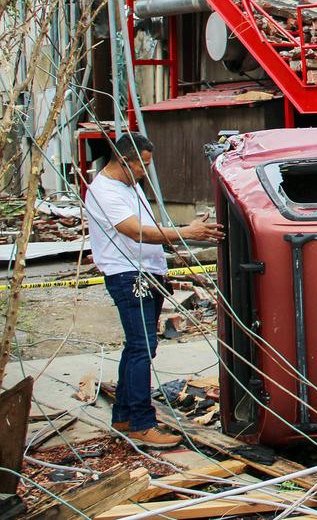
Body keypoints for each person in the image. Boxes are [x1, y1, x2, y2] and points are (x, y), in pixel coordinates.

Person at [83, 133, 224, 448]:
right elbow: (136, 232)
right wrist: (186, 231)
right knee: (141, 348)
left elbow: (148, 229)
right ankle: (140, 423)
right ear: (124, 161)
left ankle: (124, 417)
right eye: (142, 165)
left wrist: (178, 239)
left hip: (145, 273)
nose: (145, 172)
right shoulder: (104, 191)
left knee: (138, 348)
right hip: (128, 276)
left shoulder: (129, 186)